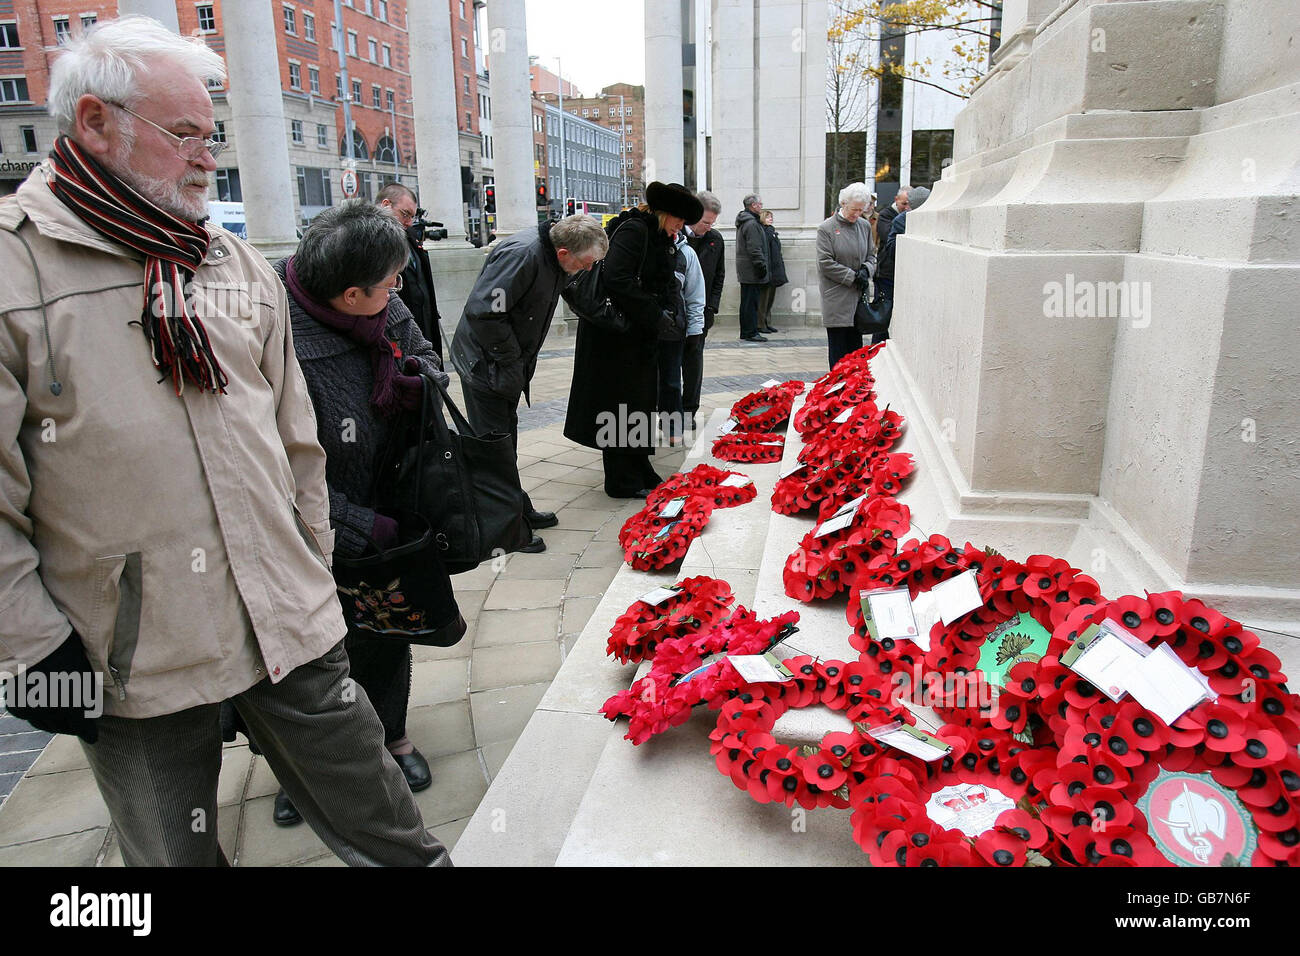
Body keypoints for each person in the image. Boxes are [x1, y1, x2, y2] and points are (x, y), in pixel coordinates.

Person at [0, 17, 448, 866]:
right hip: (132, 660)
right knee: (174, 857)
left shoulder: (231, 266)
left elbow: (298, 445)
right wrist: (33, 652)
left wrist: (309, 559)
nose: (209, 156)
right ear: (95, 123)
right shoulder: (16, 272)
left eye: (213, 134)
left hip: (291, 624)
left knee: (395, 837)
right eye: (185, 135)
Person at [265, 200, 458, 826]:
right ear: (349, 294)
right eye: (388, 285)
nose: (398, 291)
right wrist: (344, 523)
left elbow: (430, 358)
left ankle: (391, 738)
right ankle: (309, 773)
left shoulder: (387, 305)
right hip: (307, 525)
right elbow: (258, 455)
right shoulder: (270, 322)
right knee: (313, 657)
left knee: (384, 632)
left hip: (389, 504)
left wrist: (419, 380)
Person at [450, 214, 608, 551]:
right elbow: (484, 312)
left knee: (505, 440)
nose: (587, 269)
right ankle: (506, 530)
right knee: (494, 447)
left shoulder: (553, 260)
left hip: (503, 364)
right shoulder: (522, 256)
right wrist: (511, 359)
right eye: (585, 263)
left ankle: (515, 508)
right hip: (485, 364)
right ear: (565, 252)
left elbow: (571, 295)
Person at [564, 182, 702, 497]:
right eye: (678, 221)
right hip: (615, 336)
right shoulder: (634, 231)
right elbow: (617, 278)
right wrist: (654, 314)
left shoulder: (657, 236)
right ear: (665, 214)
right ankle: (620, 480)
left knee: (640, 402)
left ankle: (640, 467)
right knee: (620, 404)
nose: (680, 229)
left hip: (637, 335)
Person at [377, 182, 444, 359]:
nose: (409, 222)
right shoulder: (372, 243)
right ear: (386, 205)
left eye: (412, 217)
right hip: (397, 330)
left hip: (424, 326)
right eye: (405, 214)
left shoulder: (412, 240)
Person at [817, 181, 877, 369]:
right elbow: (825, 263)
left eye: (861, 210)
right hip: (837, 298)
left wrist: (866, 269)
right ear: (843, 204)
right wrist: (852, 276)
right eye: (854, 210)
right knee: (839, 353)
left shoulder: (864, 226)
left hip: (858, 298)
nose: (857, 214)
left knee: (856, 352)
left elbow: (872, 254)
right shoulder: (826, 228)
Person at [659, 225, 706, 445]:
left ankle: (672, 426)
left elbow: (695, 295)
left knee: (670, 380)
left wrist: (695, 330)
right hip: (646, 326)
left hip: (673, 327)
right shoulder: (646, 246)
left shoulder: (686, 253)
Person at [683, 190, 724, 432]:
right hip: (678, 313)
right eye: (705, 222)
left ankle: (689, 410)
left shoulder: (715, 240)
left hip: (702, 312)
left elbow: (719, 275)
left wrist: (712, 307)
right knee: (670, 363)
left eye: (712, 223)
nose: (709, 227)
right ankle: (670, 411)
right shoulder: (676, 237)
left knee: (693, 362)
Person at [734, 193, 769, 342]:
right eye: (760, 204)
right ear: (753, 205)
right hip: (751, 271)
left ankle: (748, 331)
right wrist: (761, 267)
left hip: (748, 270)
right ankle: (750, 332)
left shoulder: (748, 222)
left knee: (748, 301)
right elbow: (755, 248)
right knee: (750, 303)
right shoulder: (751, 224)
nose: (761, 206)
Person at [758, 209, 788, 334]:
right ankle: (760, 324)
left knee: (769, 299)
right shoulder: (763, 232)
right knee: (763, 300)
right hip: (768, 270)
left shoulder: (771, 231)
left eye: (771, 217)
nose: (771, 219)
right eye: (768, 217)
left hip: (774, 269)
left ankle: (766, 322)